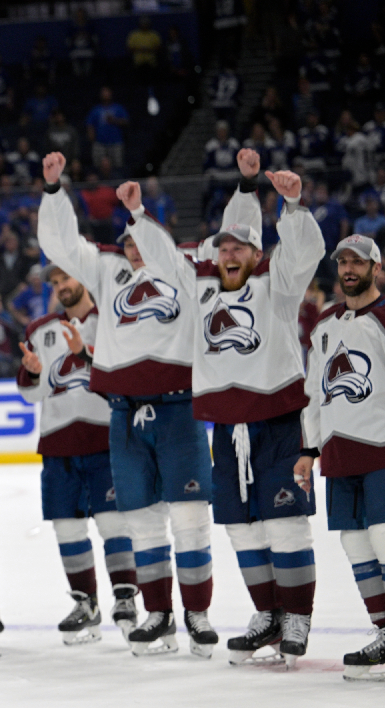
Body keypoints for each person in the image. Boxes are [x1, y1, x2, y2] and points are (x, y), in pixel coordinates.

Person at [125, 150, 322, 667]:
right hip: (228, 427)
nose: (230, 252)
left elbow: (305, 253)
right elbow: (166, 263)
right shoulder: (203, 289)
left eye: (240, 246)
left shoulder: (277, 287)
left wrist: (294, 205)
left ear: (256, 254)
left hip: (278, 423)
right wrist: (139, 219)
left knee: (284, 525)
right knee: (242, 527)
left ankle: (296, 616)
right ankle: (266, 614)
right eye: (224, 246)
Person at [37, 151, 217, 658]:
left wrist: (139, 216)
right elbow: (60, 245)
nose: (133, 249)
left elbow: (163, 255)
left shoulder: (181, 271)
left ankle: (197, 613)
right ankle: (158, 614)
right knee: (140, 518)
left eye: (139, 240)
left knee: (188, 516)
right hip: (123, 411)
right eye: (127, 241)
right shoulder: (109, 271)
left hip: (178, 408)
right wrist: (54, 193)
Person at [17, 264, 137, 646]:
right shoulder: (39, 330)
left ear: (84, 278)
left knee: (112, 523)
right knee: (67, 528)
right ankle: (86, 603)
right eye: (54, 283)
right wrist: (33, 373)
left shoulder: (113, 319)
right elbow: (32, 395)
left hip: (104, 438)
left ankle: (125, 599)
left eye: (66, 279)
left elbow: (124, 376)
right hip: (57, 442)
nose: (60, 287)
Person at [300, 235, 385, 680]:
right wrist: (307, 450)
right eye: (343, 261)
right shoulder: (324, 326)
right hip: (337, 455)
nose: (349, 268)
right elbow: (314, 394)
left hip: (381, 450)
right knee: (356, 546)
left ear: (377, 267)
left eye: (358, 261)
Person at [86, 87, 129, 169]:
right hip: (100, 143)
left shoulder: (118, 108)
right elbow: (90, 124)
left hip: (116, 142)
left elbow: (126, 122)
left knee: (118, 166)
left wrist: (114, 120)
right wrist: (91, 137)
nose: (105, 94)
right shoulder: (96, 110)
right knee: (98, 166)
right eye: (103, 92)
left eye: (107, 92)